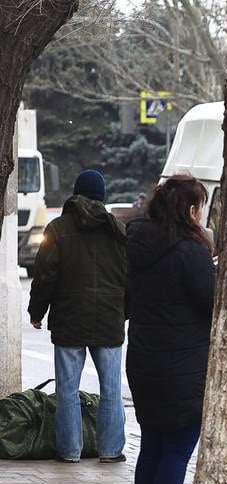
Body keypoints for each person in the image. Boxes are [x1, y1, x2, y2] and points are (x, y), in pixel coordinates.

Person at [125, 175, 215, 484]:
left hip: (144, 357)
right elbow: (209, 303)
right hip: (182, 363)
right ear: (191, 209)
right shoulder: (191, 250)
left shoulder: (135, 242)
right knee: (177, 449)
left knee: (152, 446)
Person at [28, 169, 127, 464]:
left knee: (67, 390)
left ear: (75, 194)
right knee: (111, 389)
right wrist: (124, 311)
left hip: (70, 318)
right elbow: (130, 277)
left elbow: (45, 275)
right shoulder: (118, 230)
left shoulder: (57, 229)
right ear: (102, 196)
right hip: (109, 319)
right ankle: (110, 451)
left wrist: (37, 311)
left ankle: (69, 451)